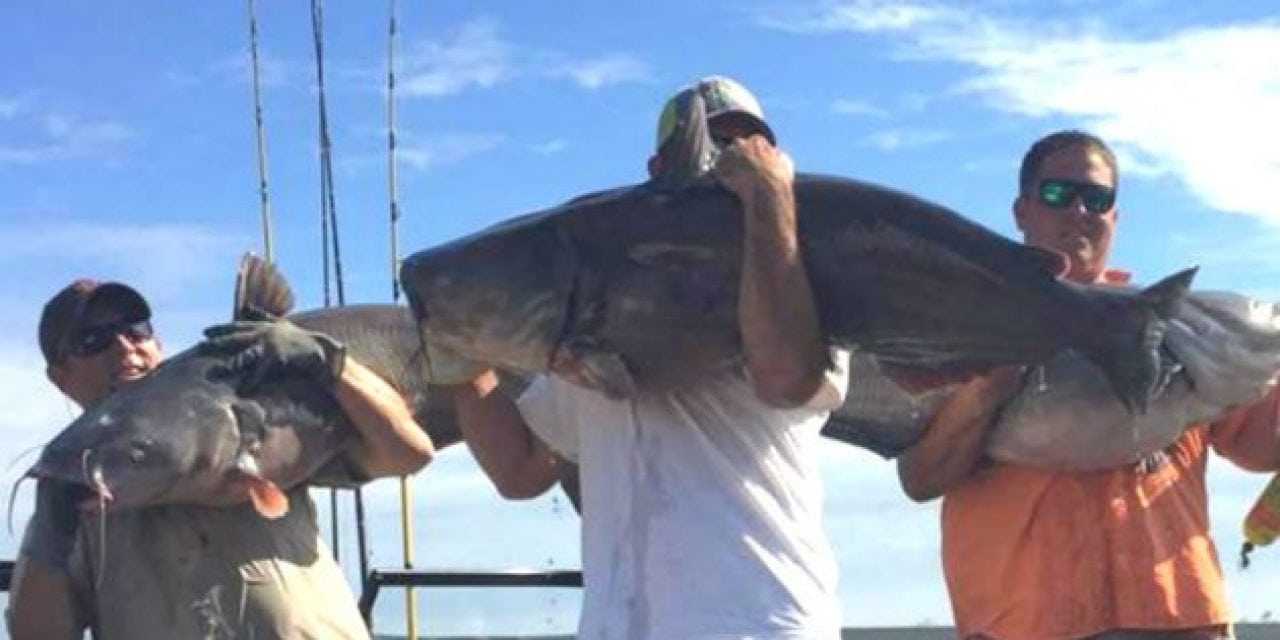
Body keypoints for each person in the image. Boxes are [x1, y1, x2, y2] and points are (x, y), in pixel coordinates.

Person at [451, 75, 850, 639]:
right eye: (710, 149)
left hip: (760, 623)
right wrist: (462, 364)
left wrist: (770, 200)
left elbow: (786, 374)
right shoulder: (595, 322)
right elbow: (520, 469)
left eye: (746, 150)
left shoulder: (806, 282)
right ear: (659, 171)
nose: (726, 166)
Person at [897, 130, 1280, 640]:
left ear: (1114, 219)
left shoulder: (1185, 333)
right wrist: (990, 388)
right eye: (1058, 194)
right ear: (1022, 210)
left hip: (1178, 612)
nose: (1079, 210)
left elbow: (1263, 447)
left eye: (1097, 199)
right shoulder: (958, 328)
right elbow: (920, 478)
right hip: (1022, 623)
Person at [9, 278, 435, 639]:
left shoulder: (256, 405)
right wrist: (54, 526)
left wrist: (331, 363)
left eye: (136, 329)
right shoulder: (70, 495)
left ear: (156, 342)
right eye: (93, 340)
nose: (125, 347)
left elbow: (409, 453)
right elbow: (38, 634)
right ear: (59, 376)